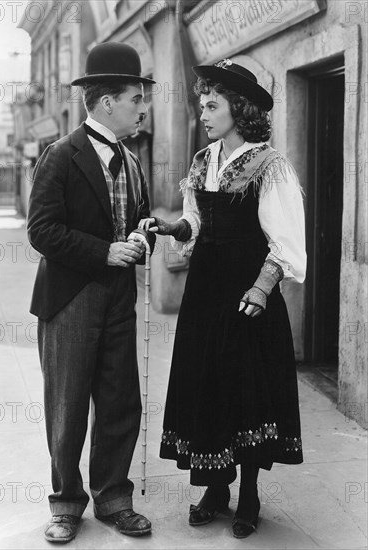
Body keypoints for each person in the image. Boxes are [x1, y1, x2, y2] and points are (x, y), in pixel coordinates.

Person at [139, 58, 306, 539]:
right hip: (205, 291)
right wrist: (175, 227)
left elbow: (287, 244)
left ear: (239, 108)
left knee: (245, 387)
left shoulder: (270, 165)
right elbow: (197, 221)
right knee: (206, 382)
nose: (204, 114)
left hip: (246, 293)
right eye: (201, 105)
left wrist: (261, 287)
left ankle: (249, 494)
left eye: (212, 105)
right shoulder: (201, 161)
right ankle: (214, 488)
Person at [27, 42, 156, 544]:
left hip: (118, 299)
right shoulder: (60, 156)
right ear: (107, 102)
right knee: (68, 406)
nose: (142, 107)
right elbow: (41, 231)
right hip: (70, 299)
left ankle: (114, 500)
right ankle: (65, 505)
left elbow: (137, 219)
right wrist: (104, 252)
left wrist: (141, 238)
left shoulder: (132, 159)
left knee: (121, 402)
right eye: (135, 99)